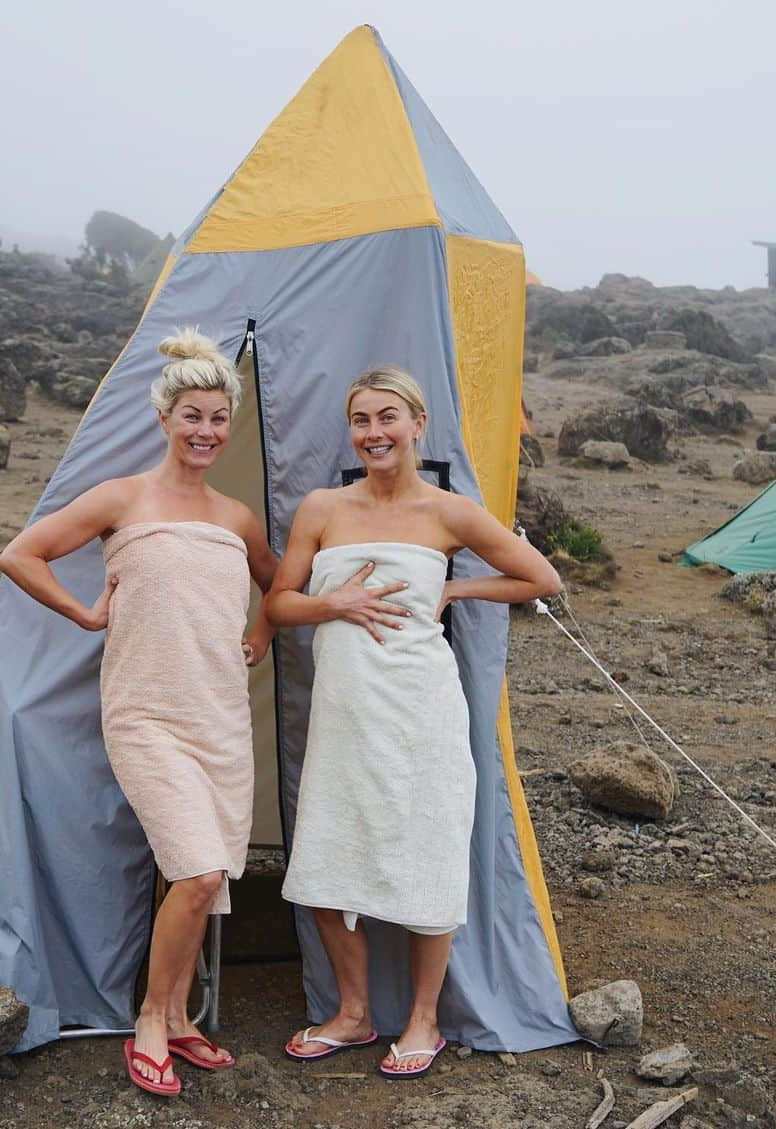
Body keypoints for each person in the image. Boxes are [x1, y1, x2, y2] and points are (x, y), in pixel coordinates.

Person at [0, 328, 277, 1097]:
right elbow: (21, 554)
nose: (206, 431)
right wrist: (86, 616)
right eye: (192, 414)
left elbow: (277, 586)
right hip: (145, 713)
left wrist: (259, 630)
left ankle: (183, 1018)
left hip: (220, 717)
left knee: (203, 872)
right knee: (195, 869)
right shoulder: (121, 497)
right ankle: (154, 1017)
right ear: (164, 416)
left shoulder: (238, 516)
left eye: (218, 417)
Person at [266, 366, 561, 1078]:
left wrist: (456, 584)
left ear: (417, 424)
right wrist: (334, 604)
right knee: (325, 869)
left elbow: (541, 577)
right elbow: (279, 603)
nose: (374, 432)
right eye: (362, 420)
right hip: (342, 713)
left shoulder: (447, 512)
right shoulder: (321, 507)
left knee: (428, 860)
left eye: (387, 417)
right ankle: (354, 1012)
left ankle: (424, 1018)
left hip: (421, 709)